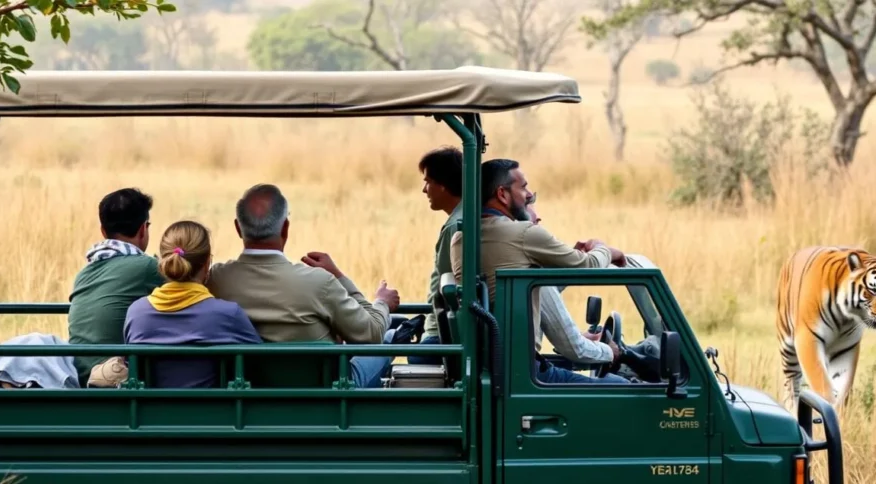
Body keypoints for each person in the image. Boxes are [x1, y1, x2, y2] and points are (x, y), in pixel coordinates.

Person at [449, 158, 630, 385]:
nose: (528, 195)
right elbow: (588, 265)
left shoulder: (461, 238)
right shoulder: (523, 234)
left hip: (493, 364)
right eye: (523, 187)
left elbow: (538, 289)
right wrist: (606, 250)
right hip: (522, 372)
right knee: (620, 387)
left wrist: (561, 261)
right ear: (502, 194)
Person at [206, 184, 401, 388]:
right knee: (385, 343)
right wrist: (381, 302)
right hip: (323, 396)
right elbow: (371, 334)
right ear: (285, 228)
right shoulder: (319, 282)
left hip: (247, 393)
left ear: (238, 228)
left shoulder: (215, 280)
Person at [524, 197, 663, 383]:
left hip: (527, 369)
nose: (538, 217)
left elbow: (545, 296)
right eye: (527, 205)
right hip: (530, 375)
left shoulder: (526, 270)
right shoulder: (531, 273)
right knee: (623, 387)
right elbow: (574, 348)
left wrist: (569, 264)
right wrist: (612, 352)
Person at [123, 220, 262, 388]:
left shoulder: (136, 313)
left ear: (163, 263)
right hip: (211, 405)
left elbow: (132, 369)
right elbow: (260, 362)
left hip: (153, 406)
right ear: (207, 263)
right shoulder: (228, 314)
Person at [68, 188, 164, 386]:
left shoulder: (83, 274)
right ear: (143, 229)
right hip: (116, 379)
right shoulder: (147, 267)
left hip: (81, 375)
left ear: (103, 231)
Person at [410, 146, 463, 366]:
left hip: (443, 332)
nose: (424, 190)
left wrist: (432, 332)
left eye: (428, 182)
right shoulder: (463, 216)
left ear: (443, 184)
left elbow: (443, 284)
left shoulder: (455, 226)